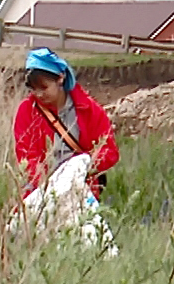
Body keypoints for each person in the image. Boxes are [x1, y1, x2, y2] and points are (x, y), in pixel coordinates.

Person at [14, 47, 119, 198]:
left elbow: (110, 151)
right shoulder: (26, 111)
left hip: (81, 190)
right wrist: (49, 185)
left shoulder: (89, 109)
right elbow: (26, 157)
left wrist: (84, 165)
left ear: (60, 78)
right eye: (33, 89)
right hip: (42, 192)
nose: (38, 94)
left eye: (44, 88)